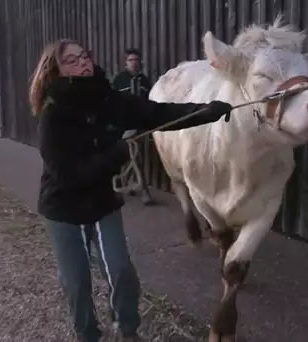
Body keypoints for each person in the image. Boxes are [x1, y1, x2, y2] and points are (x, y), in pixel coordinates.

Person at [29, 39, 232, 342]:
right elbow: (68, 174)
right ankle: (87, 335)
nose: (83, 62)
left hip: (100, 202)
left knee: (122, 272)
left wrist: (205, 111)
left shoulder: (108, 99)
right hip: (63, 208)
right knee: (76, 282)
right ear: (55, 70)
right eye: (71, 60)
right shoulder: (52, 114)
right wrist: (116, 155)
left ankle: (127, 330)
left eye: (84, 55)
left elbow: (157, 114)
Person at [112, 48, 155, 205]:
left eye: (136, 60)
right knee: (134, 155)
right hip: (125, 125)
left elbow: (150, 100)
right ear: (126, 62)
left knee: (135, 155)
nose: (134, 63)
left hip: (142, 123)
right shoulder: (119, 79)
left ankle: (125, 183)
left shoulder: (144, 80)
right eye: (131, 60)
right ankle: (144, 190)